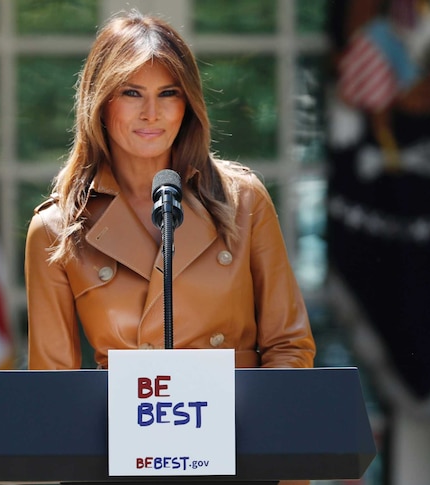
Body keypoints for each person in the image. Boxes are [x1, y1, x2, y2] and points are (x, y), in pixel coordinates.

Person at [25, 10, 316, 371]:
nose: (152, 113)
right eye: (132, 93)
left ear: (187, 105)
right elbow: (54, 387)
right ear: (100, 103)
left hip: (241, 420)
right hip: (123, 423)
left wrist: (255, 425)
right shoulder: (56, 229)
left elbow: (289, 348)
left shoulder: (243, 200)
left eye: (168, 94)